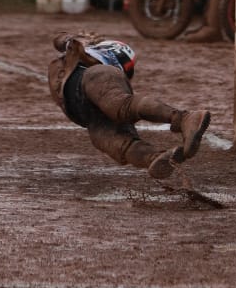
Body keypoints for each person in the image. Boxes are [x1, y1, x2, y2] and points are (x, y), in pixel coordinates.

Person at [48, 33, 211, 181]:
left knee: (119, 106)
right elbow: (59, 38)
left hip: (91, 83)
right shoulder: (78, 48)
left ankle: (184, 118)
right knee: (113, 141)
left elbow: (59, 40)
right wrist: (73, 38)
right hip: (88, 112)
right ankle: (155, 158)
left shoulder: (98, 71)